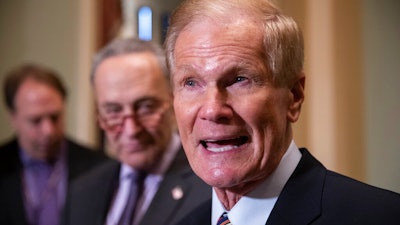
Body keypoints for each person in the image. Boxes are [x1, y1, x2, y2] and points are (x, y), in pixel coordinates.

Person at [164, 0, 400, 224]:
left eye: (239, 80)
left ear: (294, 97)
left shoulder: (383, 217)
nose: (213, 109)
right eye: (192, 83)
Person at [61, 38, 210, 225]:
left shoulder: (210, 186)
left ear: (174, 102)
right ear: (98, 115)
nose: (131, 130)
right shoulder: (81, 191)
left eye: (145, 107)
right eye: (114, 111)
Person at [0, 63, 108, 225]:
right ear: (13, 118)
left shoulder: (98, 167)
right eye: (36, 120)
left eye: (55, 117)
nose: (48, 131)